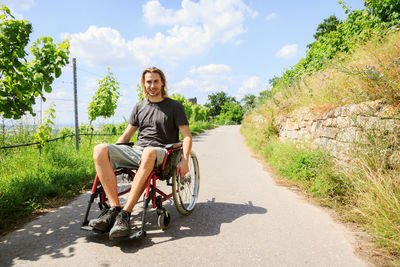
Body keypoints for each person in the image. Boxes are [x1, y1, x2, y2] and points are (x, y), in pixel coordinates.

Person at [89, 67, 192, 239]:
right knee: (100, 149)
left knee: (149, 152)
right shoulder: (139, 107)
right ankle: (115, 209)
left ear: (162, 82)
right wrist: (110, 154)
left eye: (156, 81)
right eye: (149, 82)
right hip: (139, 150)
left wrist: (185, 160)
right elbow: (127, 136)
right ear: (144, 84)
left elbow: (187, 136)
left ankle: (126, 214)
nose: (152, 85)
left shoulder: (175, 107)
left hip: (162, 152)